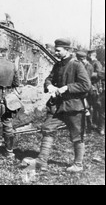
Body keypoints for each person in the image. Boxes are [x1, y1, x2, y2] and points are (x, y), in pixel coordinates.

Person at [28, 38, 91, 173]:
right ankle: (41, 161)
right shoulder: (58, 65)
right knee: (47, 128)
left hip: (74, 108)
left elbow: (86, 85)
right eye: (55, 50)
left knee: (77, 135)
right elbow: (49, 78)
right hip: (58, 107)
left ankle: (78, 165)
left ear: (67, 50)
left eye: (58, 50)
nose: (55, 52)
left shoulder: (77, 65)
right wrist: (49, 85)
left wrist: (67, 88)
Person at [76, 50, 94, 133]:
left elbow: (85, 79)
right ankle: (86, 127)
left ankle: (87, 128)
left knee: (86, 108)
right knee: (86, 108)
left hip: (85, 90)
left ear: (81, 58)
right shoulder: (87, 65)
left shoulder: (87, 66)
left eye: (79, 59)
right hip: (85, 89)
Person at [87, 49, 105, 135]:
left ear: (94, 55)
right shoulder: (88, 63)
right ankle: (90, 125)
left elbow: (100, 74)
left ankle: (99, 126)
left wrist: (88, 74)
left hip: (96, 86)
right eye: (89, 55)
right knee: (89, 106)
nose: (89, 56)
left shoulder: (97, 63)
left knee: (98, 106)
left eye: (90, 55)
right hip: (88, 86)